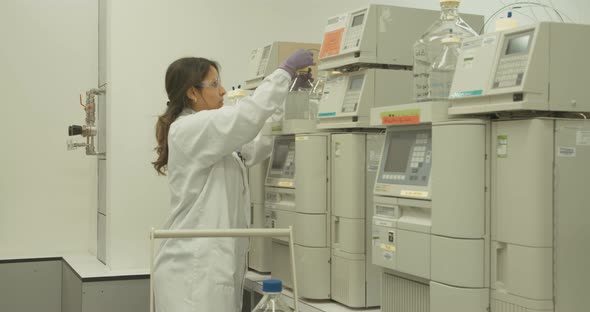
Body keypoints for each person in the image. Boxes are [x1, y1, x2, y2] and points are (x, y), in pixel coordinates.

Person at [151, 49, 314, 312]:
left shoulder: (210, 137)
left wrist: (289, 96)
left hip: (209, 272)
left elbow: (253, 144)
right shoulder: (190, 128)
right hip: (192, 276)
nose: (223, 90)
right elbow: (244, 118)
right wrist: (283, 73)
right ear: (192, 92)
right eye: (214, 84)